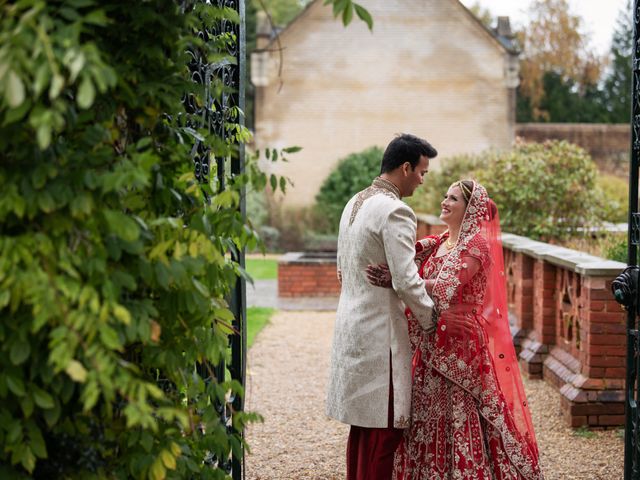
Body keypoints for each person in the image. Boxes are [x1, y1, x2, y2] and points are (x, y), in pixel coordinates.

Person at [366, 180, 543, 479]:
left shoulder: (476, 245)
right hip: (429, 336)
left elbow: (447, 288)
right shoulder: (439, 241)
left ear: (470, 208)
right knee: (423, 410)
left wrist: (398, 282)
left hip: (460, 343)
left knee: (459, 411)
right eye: (445, 196)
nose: (444, 202)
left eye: (453, 199)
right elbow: (403, 257)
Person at [326, 134, 440, 480]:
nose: (422, 180)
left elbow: (342, 270)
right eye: (421, 172)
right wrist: (432, 319)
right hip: (381, 337)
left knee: (363, 431)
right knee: (385, 433)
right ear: (405, 168)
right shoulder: (396, 210)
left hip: (351, 326)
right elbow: (406, 281)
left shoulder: (354, 201)